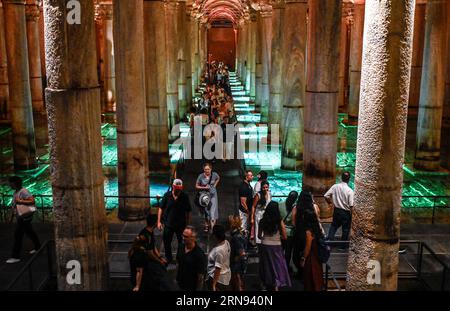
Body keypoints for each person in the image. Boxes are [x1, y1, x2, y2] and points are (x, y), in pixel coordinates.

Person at [6, 176, 41, 264]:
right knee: (30, 232)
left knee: (18, 236)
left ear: (14, 183)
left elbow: (32, 201)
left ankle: (15, 256)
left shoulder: (23, 191)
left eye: (10, 182)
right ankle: (38, 248)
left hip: (24, 218)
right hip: (23, 217)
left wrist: (20, 201)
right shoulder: (16, 192)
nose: (9, 184)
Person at [257, 201, 291, 291]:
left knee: (266, 265)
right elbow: (284, 236)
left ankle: (265, 283)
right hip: (276, 246)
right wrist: (277, 236)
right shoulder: (279, 221)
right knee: (277, 265)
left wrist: (266, 237)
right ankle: (276, 285)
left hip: (264, 245)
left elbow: (259, 236)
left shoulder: (262, 221)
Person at [157, 179, 192, 264]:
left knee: (181, 242)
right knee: (167, 242)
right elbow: (161, 208)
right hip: (168, 224)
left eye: (179, 189)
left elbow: (188, 211)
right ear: (173, 187)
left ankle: (179, 258)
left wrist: (188, 225)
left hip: (181, 225)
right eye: (176, 189)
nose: (178, 191)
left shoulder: (184, 196)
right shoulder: (167, 195)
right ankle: (169, 258)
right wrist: (158, 222)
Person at [324, 171, 354, 243]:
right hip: (345, 213)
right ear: (349, 179)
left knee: (334, 226)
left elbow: (326, 195)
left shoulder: (335, 186)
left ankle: (329, 242)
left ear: (341, 178)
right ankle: (342, 246)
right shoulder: (350, 191)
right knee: (345, 229)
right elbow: (351, 205)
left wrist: (330, 202)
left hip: (337, 211)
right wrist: (353, 215)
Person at [300, 208, 325, 291]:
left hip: (311, 257)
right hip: (317, 255)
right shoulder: (317, 229)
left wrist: (303, 258)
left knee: (311, 277)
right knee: (317, 275)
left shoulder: (308, 231)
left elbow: (308, 246)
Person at [177, 226, 206, 291]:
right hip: (181, 283)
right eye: (183, 235)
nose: (183, 238)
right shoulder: (180, 247)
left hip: (191, 286)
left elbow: (200, 276)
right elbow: (179, 262)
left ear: (194, 238)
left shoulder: (199, 255)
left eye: (186, 237)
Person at [196, 163, 220, 232]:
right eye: (205, 169)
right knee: (206, 211)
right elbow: (196, 186)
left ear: (211, 169)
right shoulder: (201, 176)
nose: (207, 171)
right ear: (203, 169)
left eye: (208, 169)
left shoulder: (214, 174)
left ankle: (212, 228)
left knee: (213, 211)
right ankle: (206, 224)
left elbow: (218, 178)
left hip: (213, 195)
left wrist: (215, 185)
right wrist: (203, 187)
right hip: (204, 196)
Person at [279, 191, 299, 271]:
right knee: (288, 252)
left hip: (281, 232)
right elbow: (294, 222)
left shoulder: (280, 204)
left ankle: (279, 266)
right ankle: (286, 267)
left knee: (280, 251)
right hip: (290, 233)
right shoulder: (295, 208)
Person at [206, 224, 231, 291]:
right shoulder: (226, 242)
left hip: (218, 280)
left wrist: (214, 285)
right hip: (225, 276)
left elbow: (218, 269)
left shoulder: (219, 251)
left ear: (215, 236)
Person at [229, 216, 247, 291]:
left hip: (237, 263)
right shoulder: (239, 233)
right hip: (239, 262)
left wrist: (236, 259)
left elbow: (241, 252)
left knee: (237, 281)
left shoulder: (236, 236)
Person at [251, 181, 271, 246]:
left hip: (266, 214)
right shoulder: (258, 195)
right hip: (259, 214)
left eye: (266, 187)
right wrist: (252, 218)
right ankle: (258, 245)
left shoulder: (269, 193)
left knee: (265, 229)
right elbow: (253, 206)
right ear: (261, 188)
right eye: (264, 187)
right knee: (258, 229)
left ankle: (265, 243)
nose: (265, 189)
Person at [238, 170, 254, 237]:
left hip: (247, 211)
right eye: (251, 175)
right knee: (243, 228)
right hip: (244, 211)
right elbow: (243, 202)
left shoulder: (248, 185)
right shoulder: (243, 187)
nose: (252, 177)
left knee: (246, 228)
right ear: (246, 177)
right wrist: (248, 211)